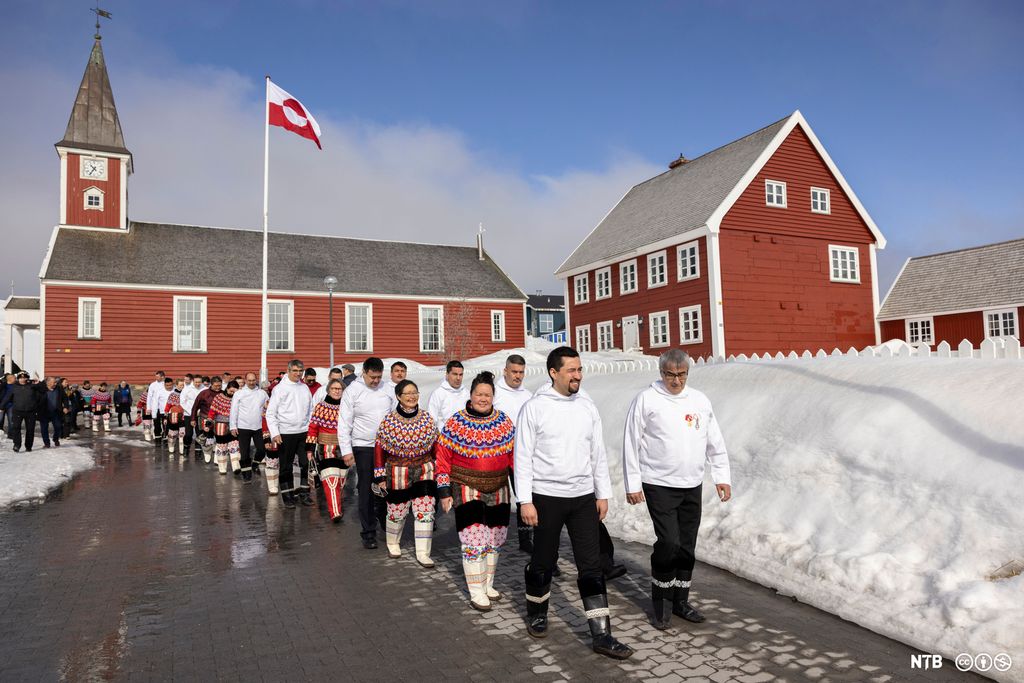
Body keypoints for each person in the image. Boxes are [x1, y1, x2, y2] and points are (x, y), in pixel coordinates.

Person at [514, 346, 633, 659]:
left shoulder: (587, 406)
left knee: (591, 566)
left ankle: (602, 635)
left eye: (580, 370)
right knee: (542, 561)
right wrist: (525, 501)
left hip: (582, 498)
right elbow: (522, 457)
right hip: (546, 497)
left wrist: (602, 493)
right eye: (572, 370)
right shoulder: (535, 408)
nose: (578, 375)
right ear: (554, 372)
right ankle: (537, 613)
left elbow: (597, 452)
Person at [623, 349, 732, 629]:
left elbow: (714, 441)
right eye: (670, 374)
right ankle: (661, 601)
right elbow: (631, 442)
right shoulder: (647, 399)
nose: (676, 380)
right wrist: (633, 482)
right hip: (658, 483)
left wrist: (722, 476)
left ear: (687, 373)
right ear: (661, 374)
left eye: (681, 374)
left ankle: (681, 600)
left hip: (691, 484)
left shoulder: (699, 400)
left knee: (686, 546)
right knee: (669, 543)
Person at [436, 371, 516, 610]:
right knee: (474, 539)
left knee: (495, 538)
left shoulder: (504, 422)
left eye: (488, 395)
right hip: (467, 486)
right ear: (471, 395)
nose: (483, 398)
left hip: (499, 486)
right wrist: (443, 490)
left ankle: (488, 583)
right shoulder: (455, 423)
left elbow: (514, 457)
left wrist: (522, 490)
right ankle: (476, 590)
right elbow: (443, 458)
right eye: (479, 394)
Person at [373, 379, 438, 564]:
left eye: (415, 392)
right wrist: (380, 477)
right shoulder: (389, 421)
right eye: (407, 393)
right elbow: (379, 450)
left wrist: (440, 470)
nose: (412, 396)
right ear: (399, 397)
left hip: (424, 470)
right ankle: (393, 543)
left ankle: (423, 553)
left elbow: (436, 447)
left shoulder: (427, 418)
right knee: (397, 511)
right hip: (397, 471)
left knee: (426, 510)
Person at [337, 357, 392, 549]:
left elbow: (395, 415)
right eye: (372, 377)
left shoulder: (387, 389)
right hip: (363, 446)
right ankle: (368, 532)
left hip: (387, 446)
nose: (376, 381)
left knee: (388, 486)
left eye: (379, 377)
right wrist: (346, 450)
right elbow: (344, 422)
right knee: (367, 488)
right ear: (364, 373)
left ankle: (384, 515)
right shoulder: (353, 391)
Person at [493, 354, 535, 553]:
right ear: (505, 371)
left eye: (521, 372)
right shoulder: (495, 393)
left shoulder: (528, 395)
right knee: (499, 496)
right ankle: (493, 532)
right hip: (498, 454)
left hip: (521, 455)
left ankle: (525, 538)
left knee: (524, 495)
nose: (518, 376)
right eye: (514, 372)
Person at [266, 359, 314, 508]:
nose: (298, 374)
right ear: (288, 371)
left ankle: (304, 494)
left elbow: (311, 410)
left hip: (303, 431)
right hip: (286, 432)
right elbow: (270, 413)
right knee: (286, 466)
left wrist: (311, 429)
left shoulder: (304, 388)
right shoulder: (280, 389)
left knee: (306, 463)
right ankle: (288, 495)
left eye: (300, 371)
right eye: (295, 371)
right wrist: (275, 433)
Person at [306, 378, 350, 521]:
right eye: (334, 388)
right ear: (328, 390)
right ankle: (335, 512)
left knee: (341, 481)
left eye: (339, 389)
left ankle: (336, 505)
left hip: (344, 448)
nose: (337, 391)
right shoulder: (321, 407)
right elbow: (313, 428)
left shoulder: (347, 407)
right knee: (331, 480)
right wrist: (310, 449)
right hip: (326, 448)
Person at [230, 372, 269, 483]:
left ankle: (255, 463)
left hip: (259, 426)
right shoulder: (239, 394)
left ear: (256, 380)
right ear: (245, 381)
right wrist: (233, 426)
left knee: (262, 449)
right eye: (249, 380)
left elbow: (268, 408)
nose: (251, 382)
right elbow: (234, 410)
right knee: (245, 453)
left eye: (253, 380)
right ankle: (246, 475)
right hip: (243, 426)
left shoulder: (262, 393)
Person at [0, 372, 40, 452]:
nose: (22, 379)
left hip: (30, 411)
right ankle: (17, 445)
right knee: (16, 428)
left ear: (27, 378)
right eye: (21, 378)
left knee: (30, 429)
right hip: (17, 411)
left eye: (24, 378)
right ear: (18, 379)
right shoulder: (14, 387)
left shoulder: (32, 386)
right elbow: (7, 397)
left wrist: (39, 383)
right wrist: (2, 406)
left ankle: (28, 446)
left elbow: (42, 392)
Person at [208, 380, 240, 474]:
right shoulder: (218, 397)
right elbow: (212, 411)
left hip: (234, 425)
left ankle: (236, 467)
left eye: (235, 392)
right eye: (231, 391)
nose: (233, 393)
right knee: (222, 446)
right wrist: (209, 422)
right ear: (227, 389)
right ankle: (222, 468)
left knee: (234, 445)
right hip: (220, 425)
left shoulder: (239, 398)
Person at [427, 360, 469, 430]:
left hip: (464, 436)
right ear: (447, 374)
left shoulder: (467, 393)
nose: (458, 378)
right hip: (444, 437)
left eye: (460, 375)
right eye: (455, 374)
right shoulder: (438, 394)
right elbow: (432, 419)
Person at [193, 376, 222, 463]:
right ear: (211, 384)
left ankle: (218, 456)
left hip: (220, 419)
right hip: (205, 417)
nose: (218, 388)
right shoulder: (204, 393)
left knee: (219, 437)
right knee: (208, 436)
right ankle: (207, 453)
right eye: (216, 386)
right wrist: (192, 419)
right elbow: (195, 407)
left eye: (219, 386)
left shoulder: (223, 394)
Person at [180, 375, 203, 457]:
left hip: (200, 414)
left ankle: (198, 449)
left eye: (199, 382)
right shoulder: (187, 389)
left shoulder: (204, 389)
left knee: (199, 433)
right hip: (188, 414)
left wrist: (200, 411)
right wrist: (191, 412)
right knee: (189, 433)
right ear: (193, 381)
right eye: (196, 382)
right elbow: (182, 402)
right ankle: (186, 447)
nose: (198, 384)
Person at [163, 378, 187, 454]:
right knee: (173, 432)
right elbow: (167, 406)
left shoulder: (186, 394)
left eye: (183, 385)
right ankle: (171, 446)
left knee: (182, 432)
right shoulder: (172, 395)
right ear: (176, 385)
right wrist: (165, 416)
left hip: (183, 415)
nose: (182, 386)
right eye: (180, 385)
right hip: (173, 416)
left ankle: (181, 449)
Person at [39, 377, 63, 448]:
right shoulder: (42, 390)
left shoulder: (58, 389)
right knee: (44, 428)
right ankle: (47, 443)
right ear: (48, 382)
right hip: (44, 412)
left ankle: (55, 438)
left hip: (55, 412)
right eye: (54, 382)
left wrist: (65, 407)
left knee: (58, 426)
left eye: (56, 382)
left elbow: (64, 398)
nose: (55, 383)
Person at [151, 377, 173, 444]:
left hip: (171, 412)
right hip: (162, 411)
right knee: (160, 426)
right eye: (167, 385)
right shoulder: (159, 391)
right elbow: (155, 403)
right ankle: (159, 438)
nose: (169, 387)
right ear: (164, 385)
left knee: (168, 426)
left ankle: (167, 438)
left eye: (170, 385)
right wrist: (154, 414)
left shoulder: (175, 390)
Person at [145, 371, 166, 441]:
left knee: (165, 422)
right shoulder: (153, 385)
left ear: (162, 377)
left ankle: (165, 435)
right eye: (156, 376)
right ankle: (157, 437)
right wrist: (148, 408)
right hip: (155, 407)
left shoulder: (166, 384)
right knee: (156, 423)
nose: (156, 378)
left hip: (164, 407)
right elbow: (149, 397)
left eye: (157, 376)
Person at [0, 373, 14, 437]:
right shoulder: (3, 385)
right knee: (0, 419)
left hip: (10, 405)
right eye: (14, 378)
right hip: (1, 405)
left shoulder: (15, 386)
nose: (15, 379)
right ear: (9, 379)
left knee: (11, 420)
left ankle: (11, 434)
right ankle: (0, 432)